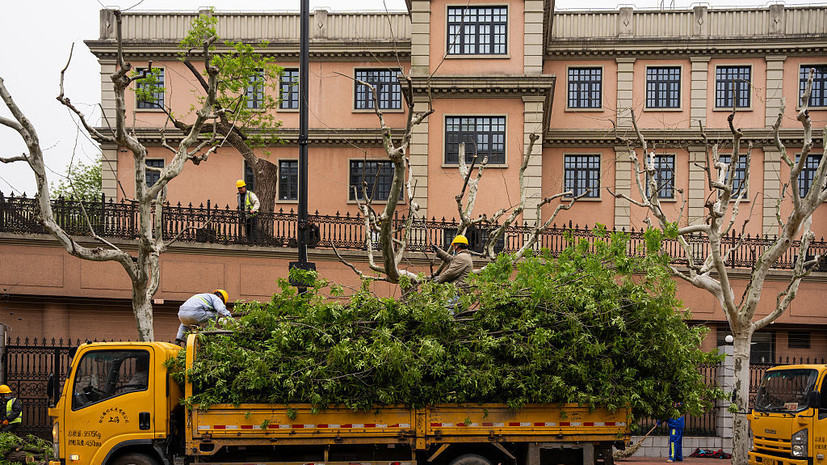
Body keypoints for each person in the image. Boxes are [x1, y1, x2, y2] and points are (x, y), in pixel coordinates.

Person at [236, 179, 260, 244]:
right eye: (239, 188)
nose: (240, 189)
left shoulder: (250, 194)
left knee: (254, 229)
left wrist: (253, 210)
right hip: (245, 215)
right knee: (247, 230)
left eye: (241, 188)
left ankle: (256, 242)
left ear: (244, 187)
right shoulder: (238, 195)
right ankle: (249, 242)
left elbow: (257, 203)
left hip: (252, 215)